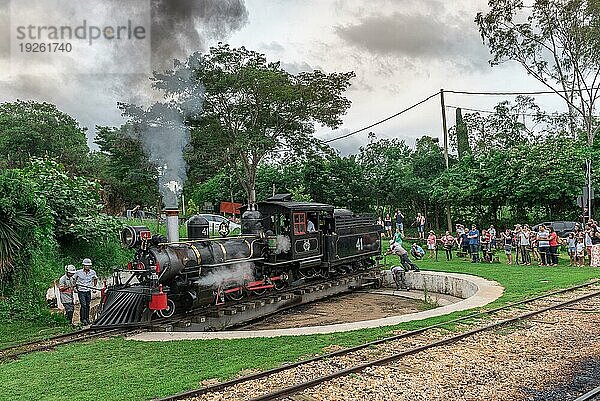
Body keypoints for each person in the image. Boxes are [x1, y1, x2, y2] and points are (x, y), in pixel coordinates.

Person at [74, 258, 98, 325]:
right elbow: (73, 279)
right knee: (83, 305)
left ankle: (87, 318)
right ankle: (82, 319)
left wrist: (94, 286)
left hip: (88, 291)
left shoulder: (93, 272)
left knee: (87, 305)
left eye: (89, 265)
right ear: (83, 265)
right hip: (81, 291)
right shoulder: (78, 272)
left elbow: (95, 278)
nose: (87, 267)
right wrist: (75, 287)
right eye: (86, 265)